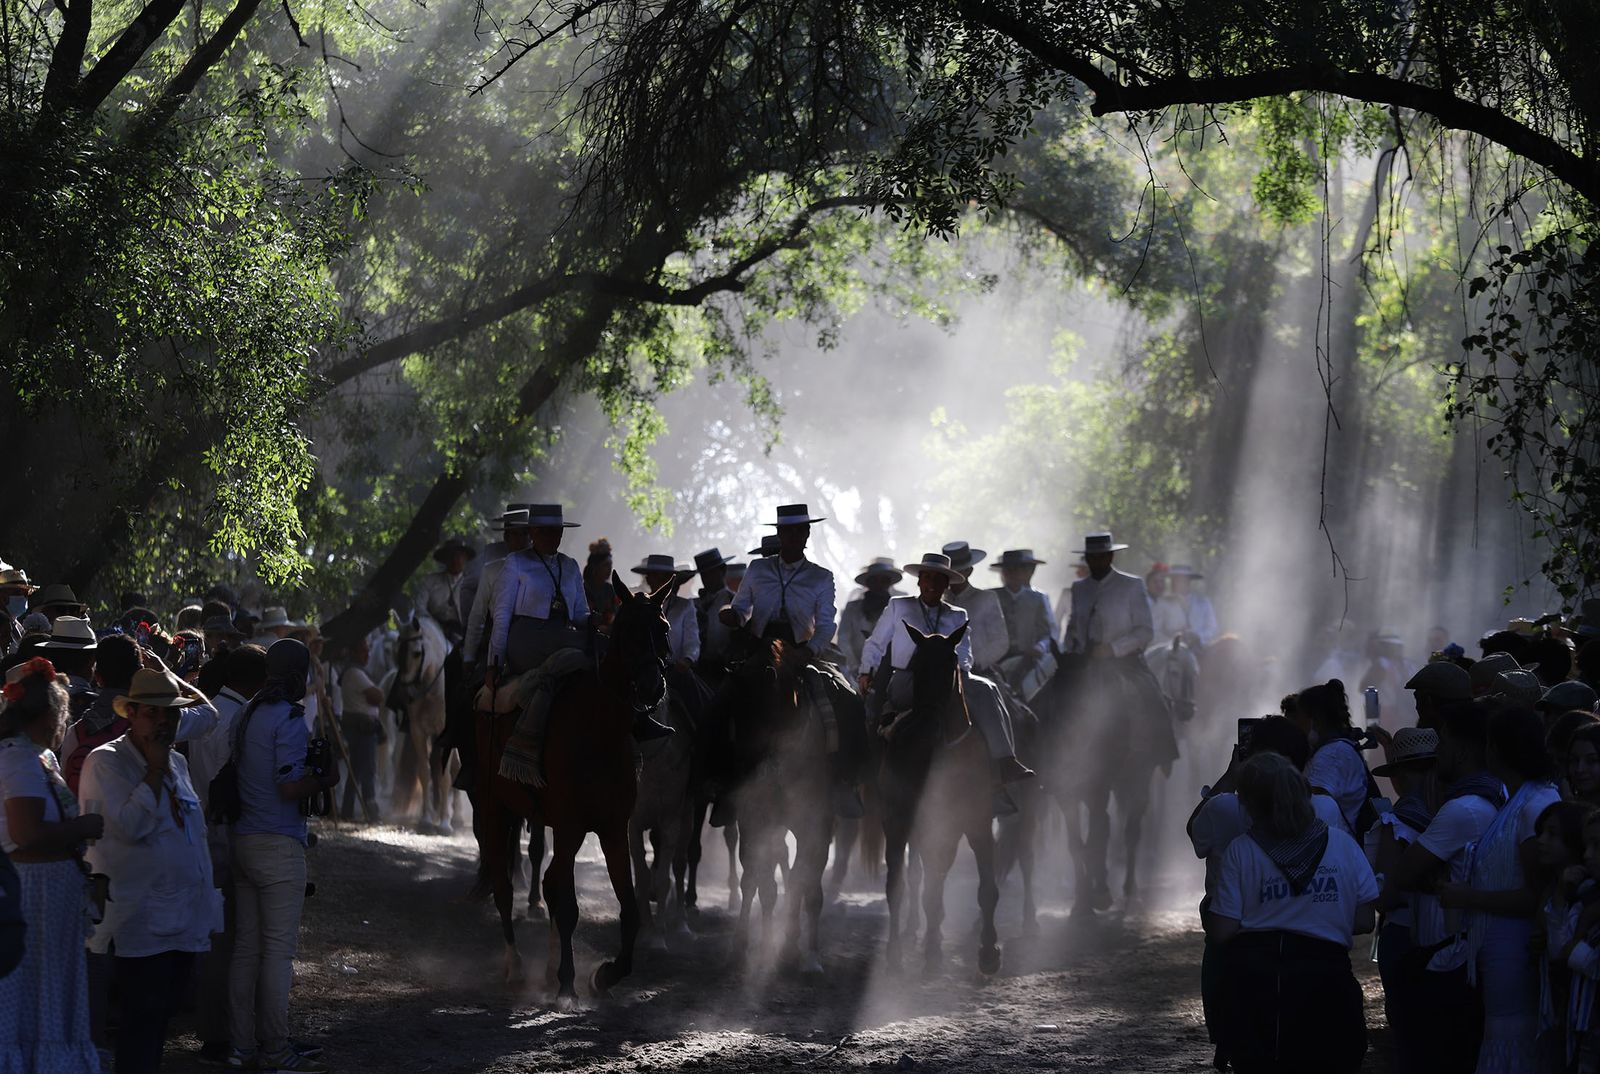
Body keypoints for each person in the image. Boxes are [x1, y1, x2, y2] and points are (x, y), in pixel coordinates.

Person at [78, 668, 223, 1074]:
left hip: (184, 916)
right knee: (141, 1023)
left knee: (161, 1019)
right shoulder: (106, 762)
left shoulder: (176, 760)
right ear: (132, 714)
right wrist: (154, 771)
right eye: (153, 713)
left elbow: (192, 832)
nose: (163, 722)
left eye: (170, 716)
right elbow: (131, 827)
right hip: (140, 920)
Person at [1187, 716, 1343, 1072]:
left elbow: (1194, 831)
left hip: (1239, 946)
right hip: (1310, 939)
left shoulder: (1226, 807)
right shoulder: (1327, 809)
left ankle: (1226, 1036)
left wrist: (1229, 777)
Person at [1210, 751, 1377, 1074]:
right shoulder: (1343, 844)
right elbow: (1363, 920)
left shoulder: (1242, 850)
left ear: (1250, 805)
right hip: (1328, 983)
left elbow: (1222, 931)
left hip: (1261, 989)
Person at [489, 507, 670, 786]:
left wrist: (597, 621)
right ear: (533, 533)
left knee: (615, 655)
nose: (551, 536)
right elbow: (501, 615)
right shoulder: (516, 564)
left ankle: (635, 721)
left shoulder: (569, 565)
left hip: (565, 633)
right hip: (527, 637)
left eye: (556, 531)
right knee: (571, 656)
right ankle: (527, 740)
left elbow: (579, 615)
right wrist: (494, 661)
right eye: (544, 531)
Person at [227, 639, 340, 1073]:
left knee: (246, 949)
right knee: (276, 953)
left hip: (243, 840)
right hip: (277, 846)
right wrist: (326, 778)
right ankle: (274, 1047)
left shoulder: (247, 713)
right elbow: (290, 787)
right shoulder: (289, 718)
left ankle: (241, 1045)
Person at [1439, 703, 1561, 1074]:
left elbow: (1536, 895)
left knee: (1514, 1043)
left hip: (1516, 951)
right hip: (1502, 949)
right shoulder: (1519, 800)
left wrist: (1467, 897)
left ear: (1498, 749)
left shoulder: (1533, 806)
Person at [719, 503, 860, 816]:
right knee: (721, 701)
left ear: (807, 533)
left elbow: (825, 624)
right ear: (779, 534)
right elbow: (742, 609)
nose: (794, 535)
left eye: (800, 529)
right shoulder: (757, 570)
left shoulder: (821, 577)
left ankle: (843, 783)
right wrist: (732, 615)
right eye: (788, 530)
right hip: (759, 650)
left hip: (801, 652)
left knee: (848, 700)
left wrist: (808, 652)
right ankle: (722, 785)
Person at [0, 656, 104, 1073]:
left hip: (52, 890)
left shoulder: (40, 758)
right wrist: (82, 827)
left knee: (51, 984)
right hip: (34, 890)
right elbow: (26, 833)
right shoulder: (19, 761)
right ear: (49, 715)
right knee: (33, 986)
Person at [858, 552, 1034, 786]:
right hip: (908, 679)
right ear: (919, 581)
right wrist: (865, 671)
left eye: (938, 579)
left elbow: (964, 654)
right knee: (868, 709)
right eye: (927, 578)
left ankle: (1005, 760)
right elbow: (876, 643)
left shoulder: (957, 615)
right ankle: (861, 773)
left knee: (988, 688)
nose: (931, 584)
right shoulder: (898, 606)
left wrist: (956, 670)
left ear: (947, 585)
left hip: (948, 680)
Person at [187, 643, 267, 1065]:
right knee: (236, 939)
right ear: (253, 682)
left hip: (203, 832)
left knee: (215, 938)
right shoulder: (240, 719)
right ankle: (228, 1032)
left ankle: (213, 1030)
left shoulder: (208, 714)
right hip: (229, 835)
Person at [1061, 532, 1176, 772]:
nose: (1096, 562)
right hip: (1084, 661)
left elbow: (1145, 631)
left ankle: (1163, 752)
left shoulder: (1131, 585)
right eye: (1091, 557)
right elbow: (1073, 625)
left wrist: (1113, 649)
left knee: (1152, 695)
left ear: (1111, 556)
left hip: (1125, 661)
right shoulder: (1079, 588)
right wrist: (1071, 648)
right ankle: (1052, 762)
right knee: (1054, 695)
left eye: (1101, 556)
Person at [1367, 727, 1442, 1074]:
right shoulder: (1451, 811)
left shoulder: (1395, 821)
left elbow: (1382, 895)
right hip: (1451, 933)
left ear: (1398, 777)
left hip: (1403, 932)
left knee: (1409, 1035)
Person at [1293, 680, 1374, 837]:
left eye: (1299, 717)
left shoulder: (1331, 756)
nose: (1296, 725)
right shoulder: (1338, 749)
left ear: (1314, 719)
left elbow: (1312, 812)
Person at [990, 548, 1059, 698]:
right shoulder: (991, 596)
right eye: (1008, 570)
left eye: (1017, 569)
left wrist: (1039, 647)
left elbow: (1049, 633)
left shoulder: (1038, 598)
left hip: (1029, 659)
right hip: (996, 661)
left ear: (1025, 572)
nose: (1012, 573)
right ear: (1002, 573)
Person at [336, 637, 384, 823]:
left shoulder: (354, 672)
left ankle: (349, 811)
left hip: (361, 727)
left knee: (357, 771)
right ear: (355, 653)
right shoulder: (355, 673)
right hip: (362, 729)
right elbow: (377, 696)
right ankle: (371, 813)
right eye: (363, 651)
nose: (367, 654)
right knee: (366, 770)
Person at [942, 542, 1008, 676]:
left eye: (959, 571)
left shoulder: (986, 598)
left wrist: (975, 663)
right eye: (950, 572)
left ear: (969, 571)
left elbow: (1001, 641)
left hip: (979, 670)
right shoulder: (938, 601)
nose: (954, 576)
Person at [835, 558, 904, 679]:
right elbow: (843, 639)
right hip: (854, 671)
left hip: (892, 671)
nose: (879, 584)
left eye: (883, 580)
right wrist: (855, 667)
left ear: (889, 583)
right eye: (874, 580)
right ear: (867, 583)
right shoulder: (852, 608)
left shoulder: (899, 608)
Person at [692, 548, 739, 674]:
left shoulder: (735, 601)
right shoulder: (694, 604)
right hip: (697, 668)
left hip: (725, 669)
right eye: (704, 574)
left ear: (722, 570)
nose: (708, 578)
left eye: (711, 573)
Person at [1405, 658, 1474, 729]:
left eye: (1418, 699)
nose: (1417, 707)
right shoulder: (1480, 726)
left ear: (1429, 701)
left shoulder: (1432, 735)